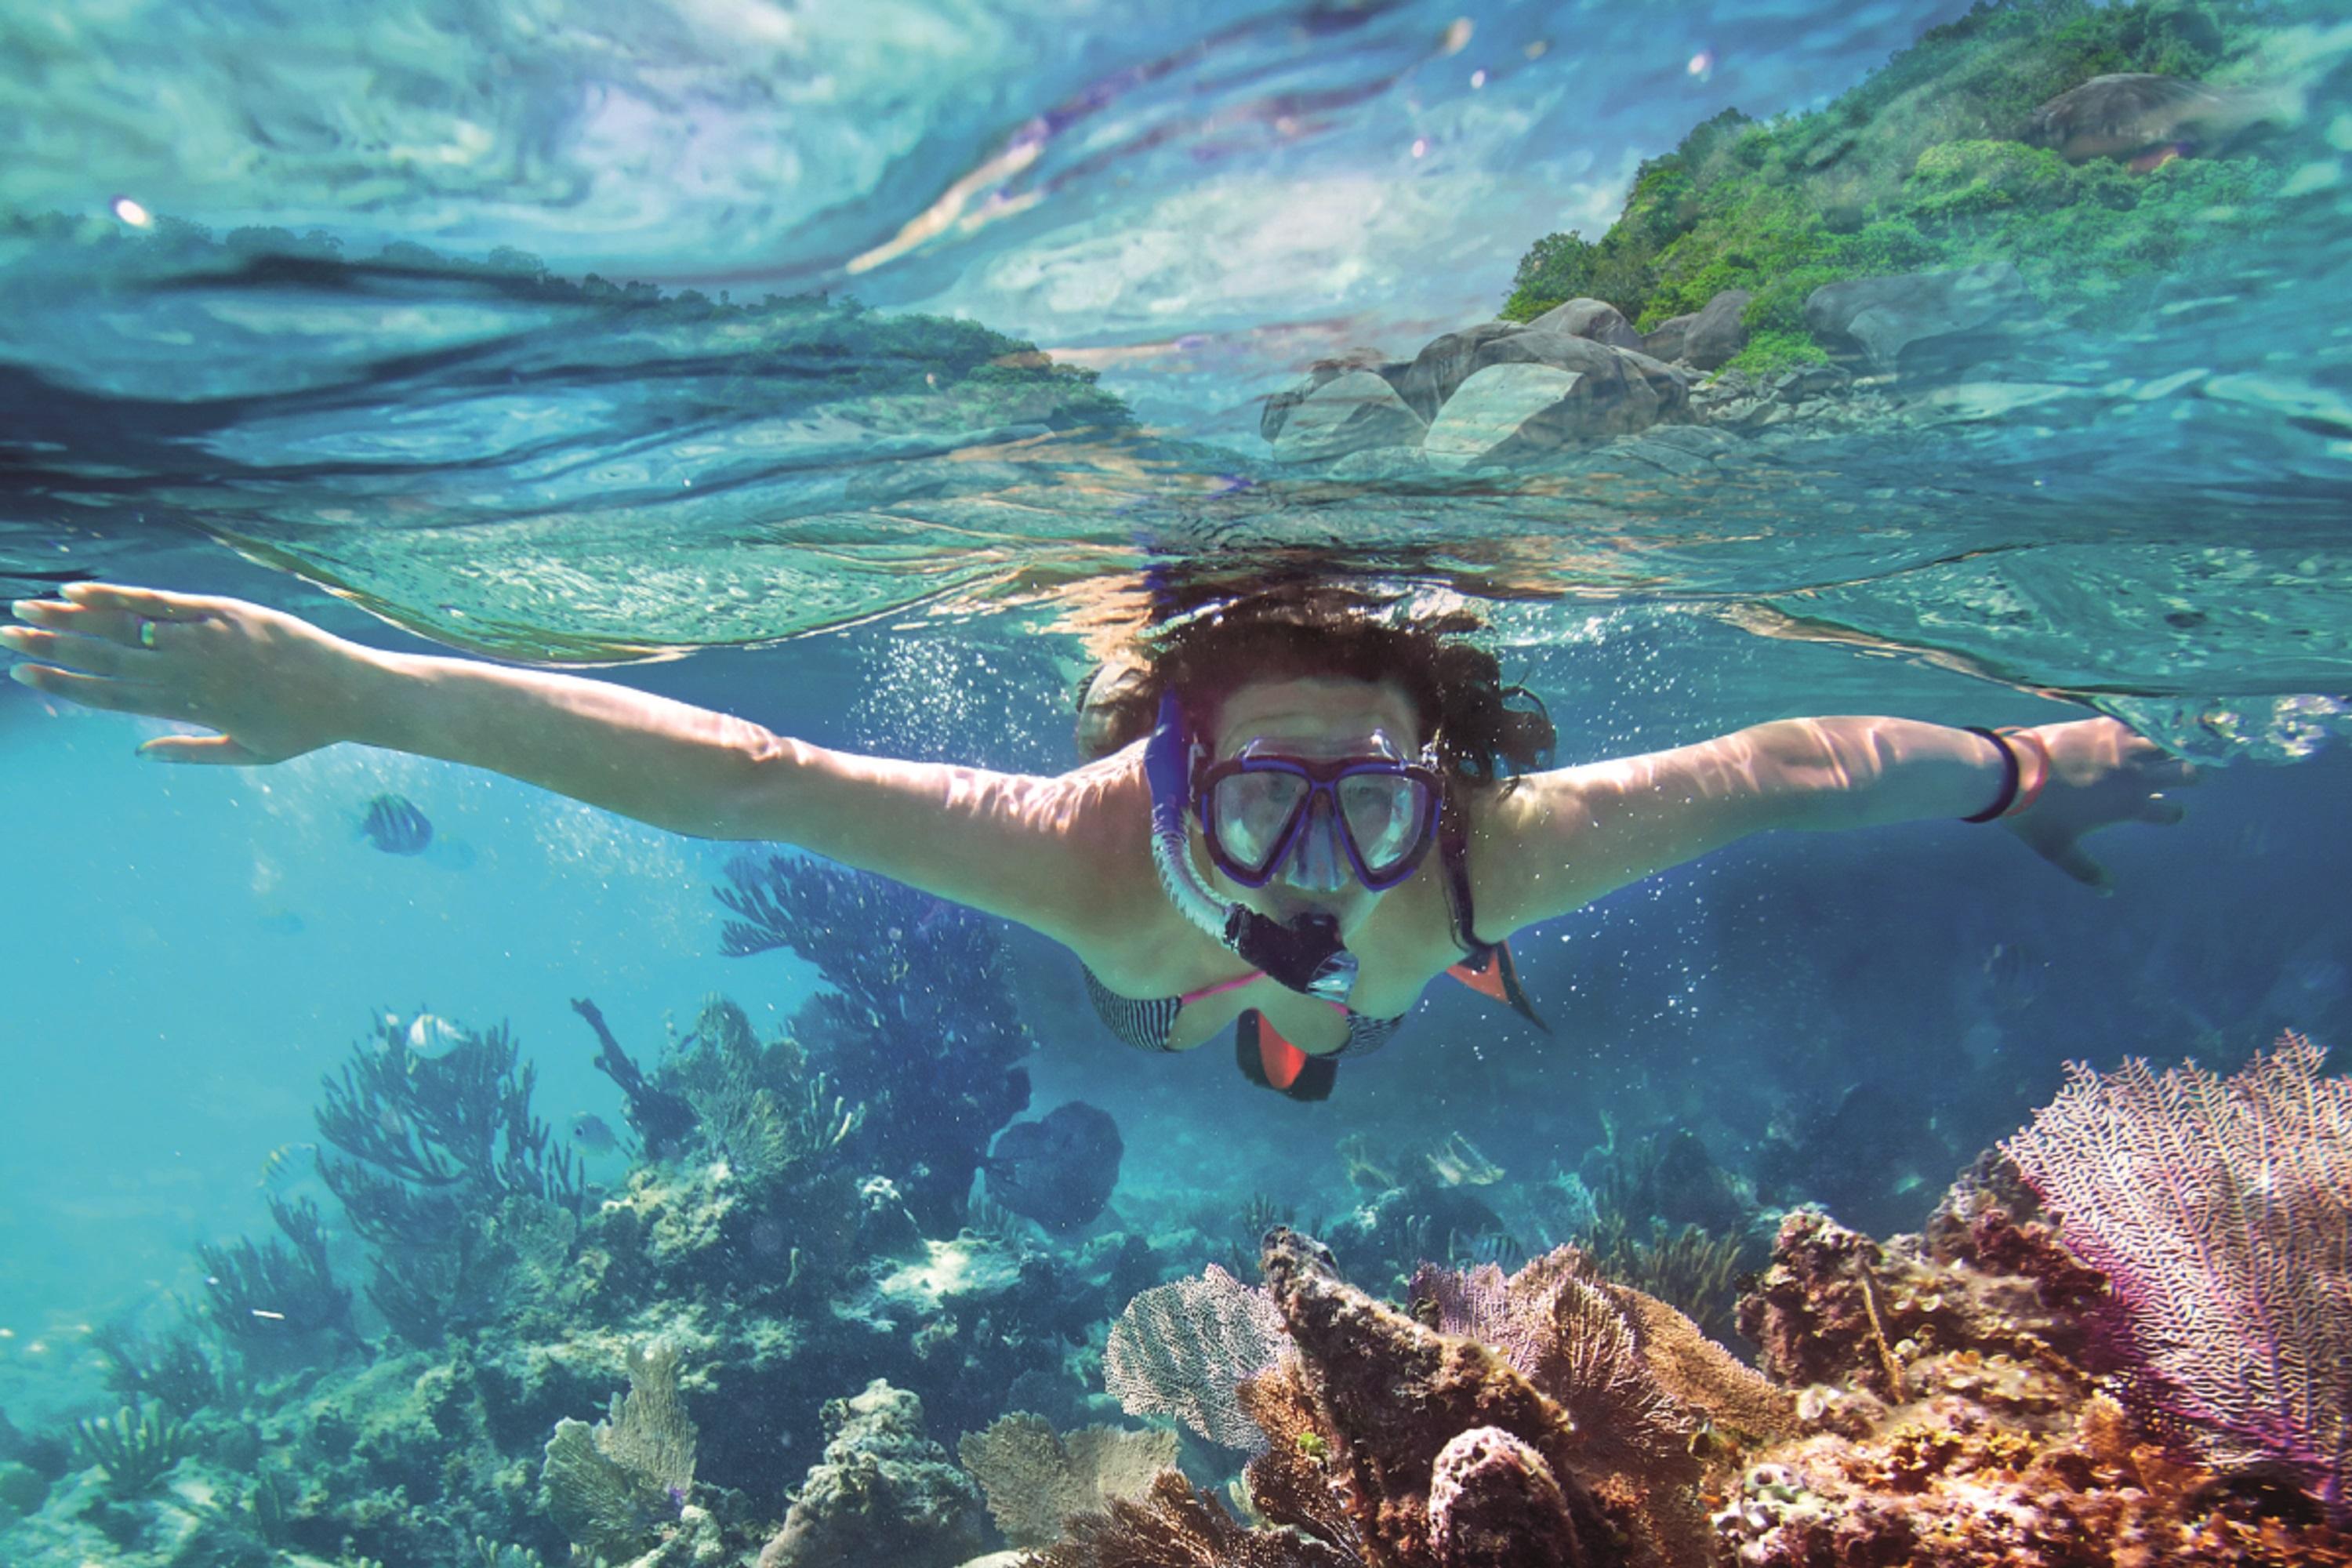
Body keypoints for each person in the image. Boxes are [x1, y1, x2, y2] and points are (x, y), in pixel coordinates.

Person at [2, 579, 2193, 1099]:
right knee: (1277, 1009)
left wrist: (2026, 769)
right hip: (1171, 988)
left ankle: (1328, 1044)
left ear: (1445, 773)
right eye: (1264, 790)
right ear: (1167, 773)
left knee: (1363, 1001)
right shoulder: (1070, 856)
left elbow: (1781, 769)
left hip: (1378, 985)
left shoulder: (1470, 864)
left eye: (1370, 794)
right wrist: (365, 692)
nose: (1324, 851)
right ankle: (1295, 1041)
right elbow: (733, 776)